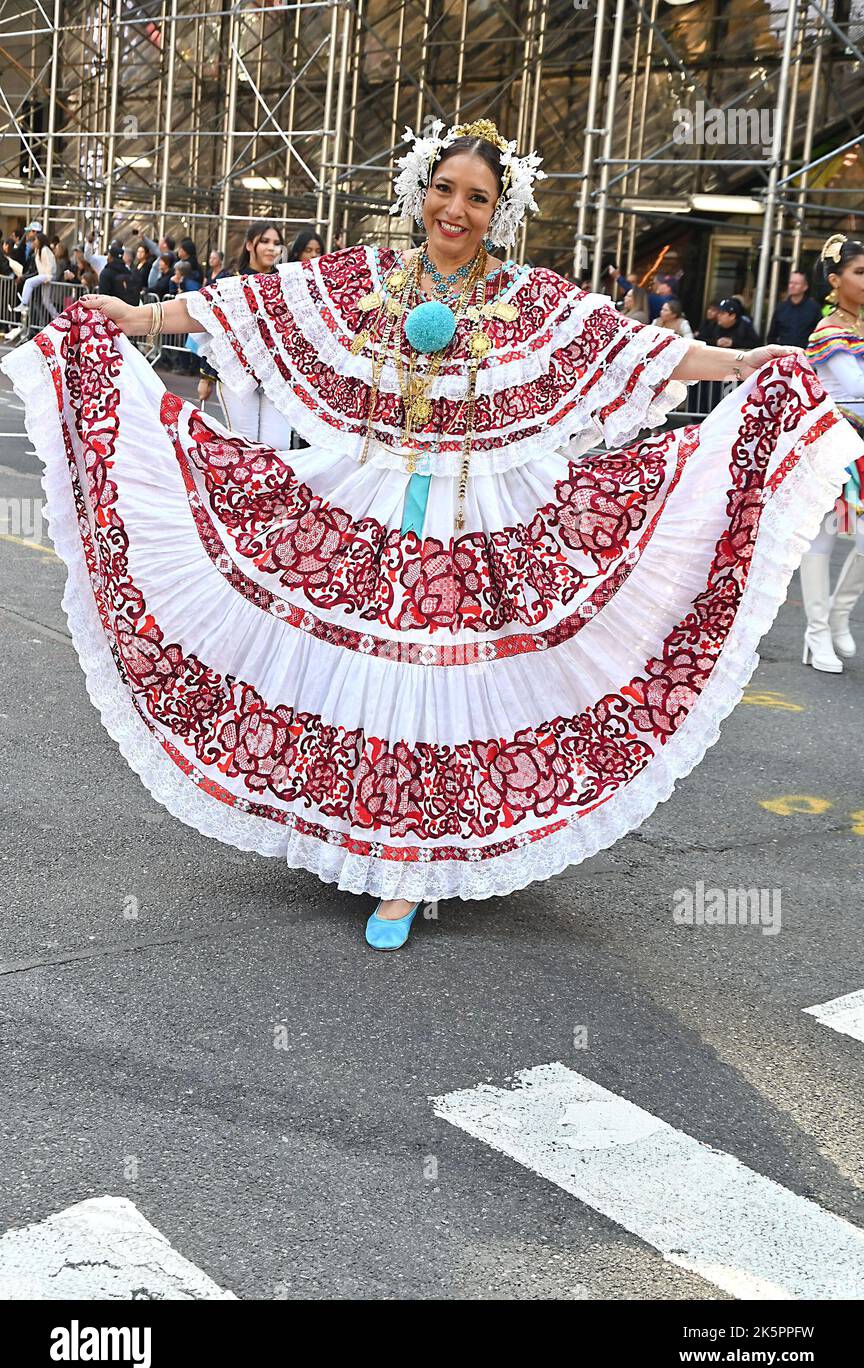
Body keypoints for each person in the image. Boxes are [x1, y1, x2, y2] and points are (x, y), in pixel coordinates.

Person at [3, 116, 861, 953]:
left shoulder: (533, 300)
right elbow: (254, 306)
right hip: (371, 504)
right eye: (445, 190)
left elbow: (636, 351)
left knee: (438, 689)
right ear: (422, 192)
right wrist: (140, 320)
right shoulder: (368, 277)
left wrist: (742, 365)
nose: (456, 210)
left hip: (484, 521)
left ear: (500, 211)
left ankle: (406, 867)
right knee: (359, 675)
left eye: (478, 198)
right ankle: (366, 833)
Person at [799, 235, 864, 673]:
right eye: (860, 272)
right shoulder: (829, 331)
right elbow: (857, 389)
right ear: (835, 280)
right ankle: (816, 633)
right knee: (822, 536)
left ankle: (840, 615)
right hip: (837, 446)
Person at [196, 220, 291, 448]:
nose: (272, 248)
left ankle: (271, 485)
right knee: (244, 444)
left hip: (275, 376)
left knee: (277, 446)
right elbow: (212, 329)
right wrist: (205, 376)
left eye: (277, 243)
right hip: (235, 375)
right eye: (265, 241)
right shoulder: (229, 280)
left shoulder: (285, 282)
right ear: (250, 245)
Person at [767, 270, 822, 348]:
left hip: (805, 355)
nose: (792, 286)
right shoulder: (781, 308)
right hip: (783, 355)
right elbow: (772, 336)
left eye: (796, 284)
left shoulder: (814, 309)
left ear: (805, 287)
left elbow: (819, 335)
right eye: (790, 283)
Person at [97, 241, 139, 305]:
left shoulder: (106, 273)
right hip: (128, 310)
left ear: (110, 257)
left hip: (111, 310)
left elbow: (103, 295)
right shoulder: (128, 271)